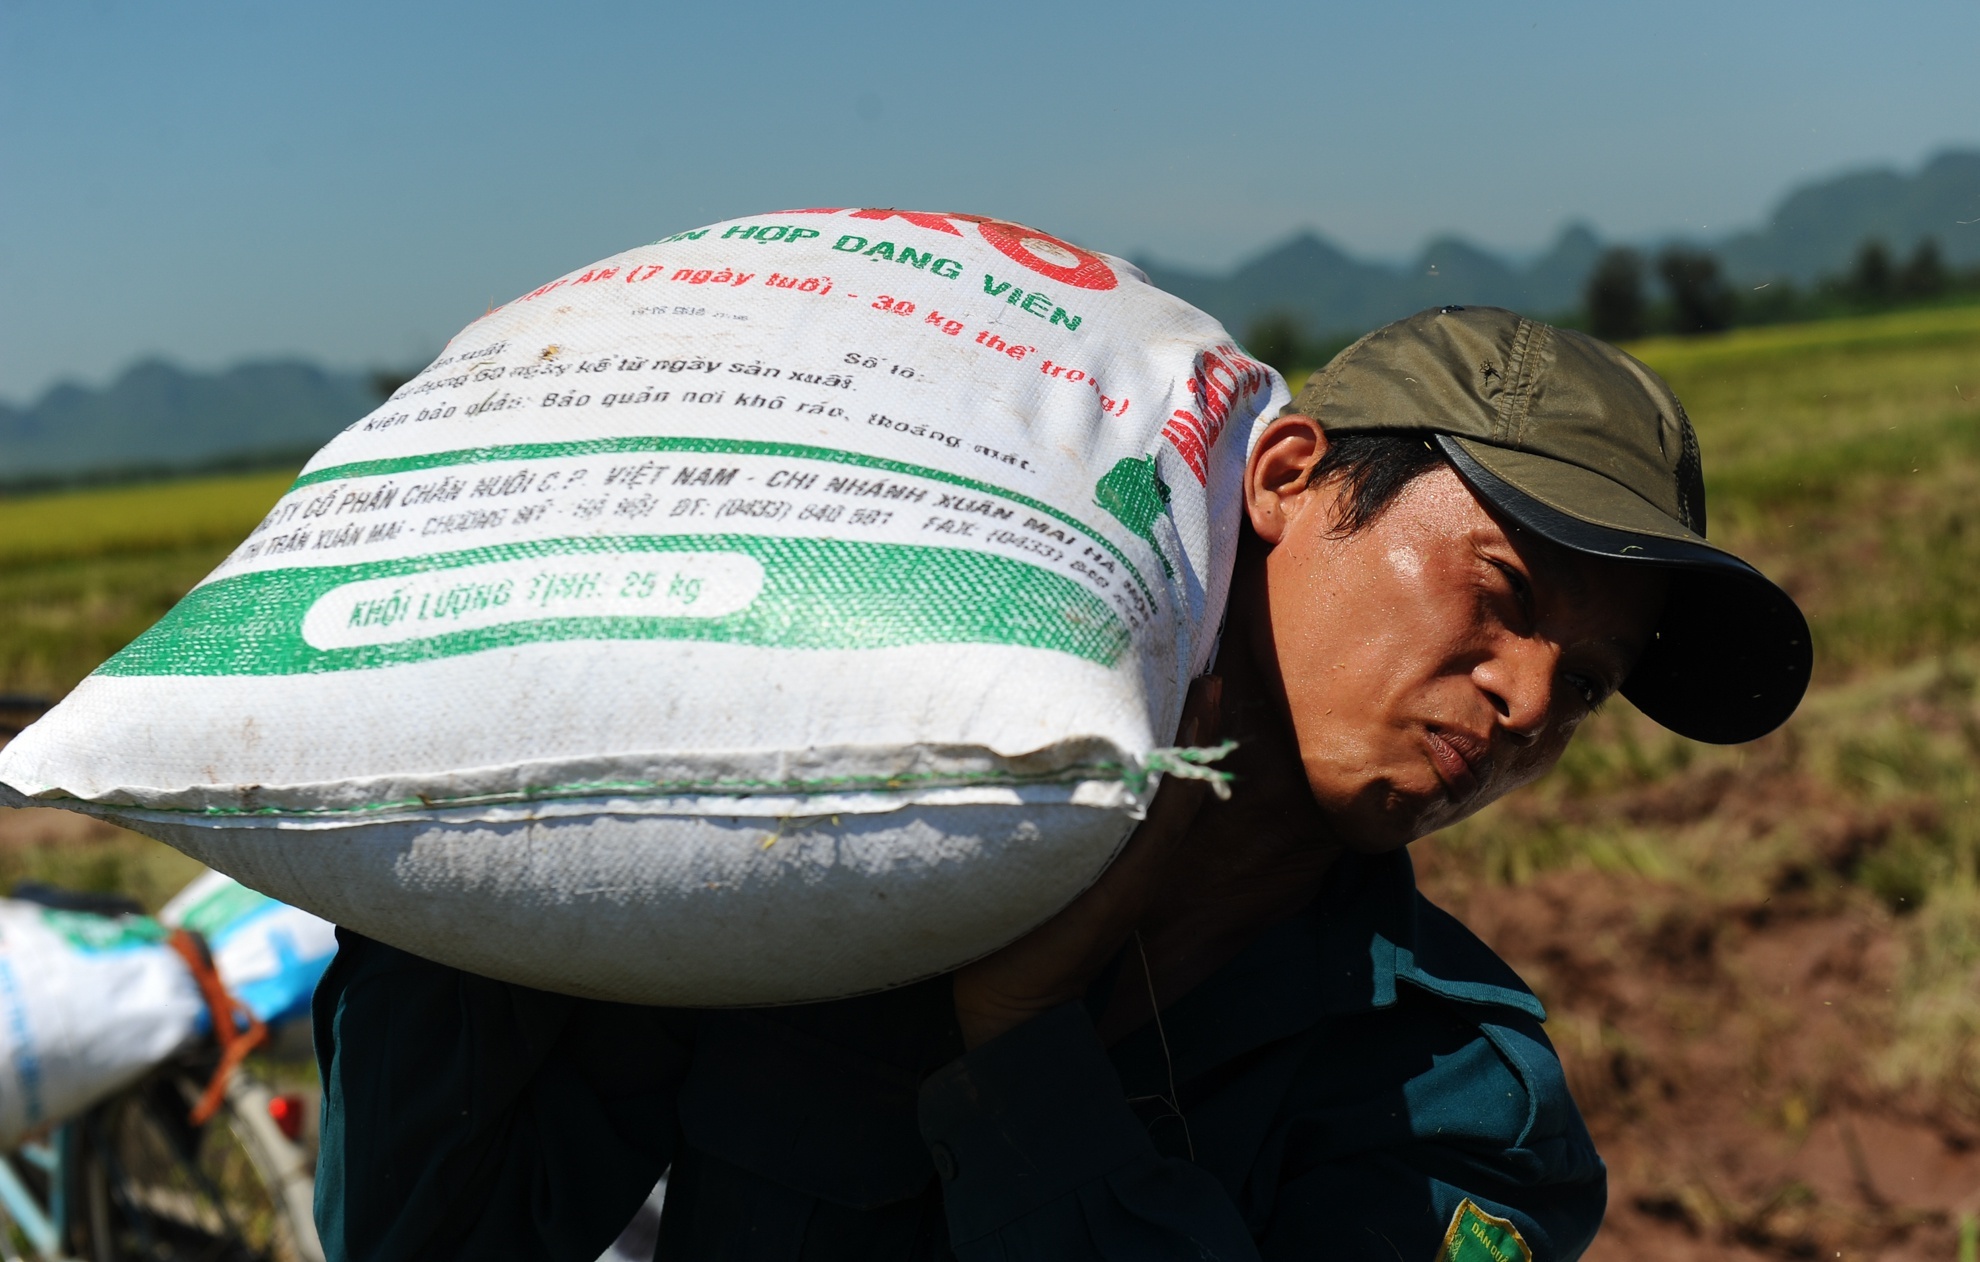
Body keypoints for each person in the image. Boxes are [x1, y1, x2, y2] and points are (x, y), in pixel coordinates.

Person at [310, 306, 1810, 1261]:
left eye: (1591, 681)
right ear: (1288, 478)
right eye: (1505, 588)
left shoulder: (1464, 1102)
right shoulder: (843, 850)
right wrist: (455, 822)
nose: (1535, 694)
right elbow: (429, 1229)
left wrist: (1025, 1050)